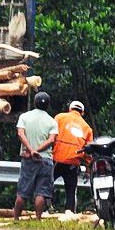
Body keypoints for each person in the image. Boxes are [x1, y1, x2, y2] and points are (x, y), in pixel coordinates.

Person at [14, 91, 59, 221]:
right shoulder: (52, 121)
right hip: (45, 159)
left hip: (28, 158)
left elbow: (21, 134)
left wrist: (31, 150)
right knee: (41, 192)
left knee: (23, 191)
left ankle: (16, 218)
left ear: (34, 102)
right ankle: (38, 219)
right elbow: (51, 140)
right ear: (48, 105)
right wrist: (37, 151)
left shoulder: (24, 117)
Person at [52, 100, 94, 212]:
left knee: (47, 183)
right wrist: (88, 168)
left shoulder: (59, 118)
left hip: (56, 159)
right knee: (71, 189)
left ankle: (47, 208)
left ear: (70, 109)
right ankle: (69, 212)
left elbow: (51, 136)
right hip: (73, 162)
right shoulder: (87, 128)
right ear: (83, 113)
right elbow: (89, 151)